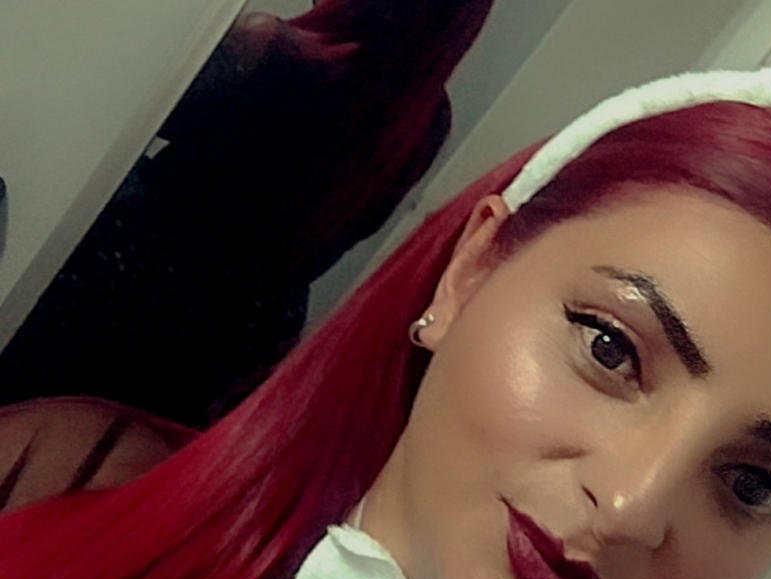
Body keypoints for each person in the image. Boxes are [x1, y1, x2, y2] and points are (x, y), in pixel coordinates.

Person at [0, 0, 771, 579]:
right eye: (611, 348)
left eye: (756, 486)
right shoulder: (46, 477)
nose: (632, 506)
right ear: (468, 273)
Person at [0, 0, 493, 428]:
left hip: (134, 271)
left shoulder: (269, 45)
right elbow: (346, 233)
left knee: (25, 415)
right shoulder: (425, 119)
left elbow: (125, 112)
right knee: (86, 460)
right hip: (241, 329)